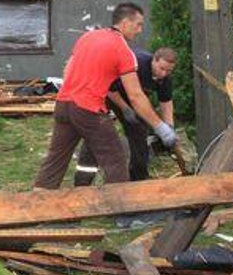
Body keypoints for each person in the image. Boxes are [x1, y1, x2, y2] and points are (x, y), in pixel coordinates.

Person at [33, 3, 178, 189]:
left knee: (55, 160)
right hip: (89, 109)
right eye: (138, 24)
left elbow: (68, 68)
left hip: (63, 104)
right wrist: (160, 127)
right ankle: (123, 215)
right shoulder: (123, 50)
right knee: (115, 160)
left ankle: (37, 206)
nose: (140, 30)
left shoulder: (87, 37)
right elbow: (136, 96)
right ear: (125, 23)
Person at [74, 47, 177, 186]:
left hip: (131, 96)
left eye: (168, 71)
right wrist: (125, 109)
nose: (164, 74)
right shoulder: (136, 64)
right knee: (97, 131)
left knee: (139, 132)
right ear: (154, 60)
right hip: (105, 91)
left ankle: (138, 179)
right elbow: (110, 88)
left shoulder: (165, 79)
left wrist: (168, 127)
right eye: (162, 68)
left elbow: (166, 102)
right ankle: (83, 181)